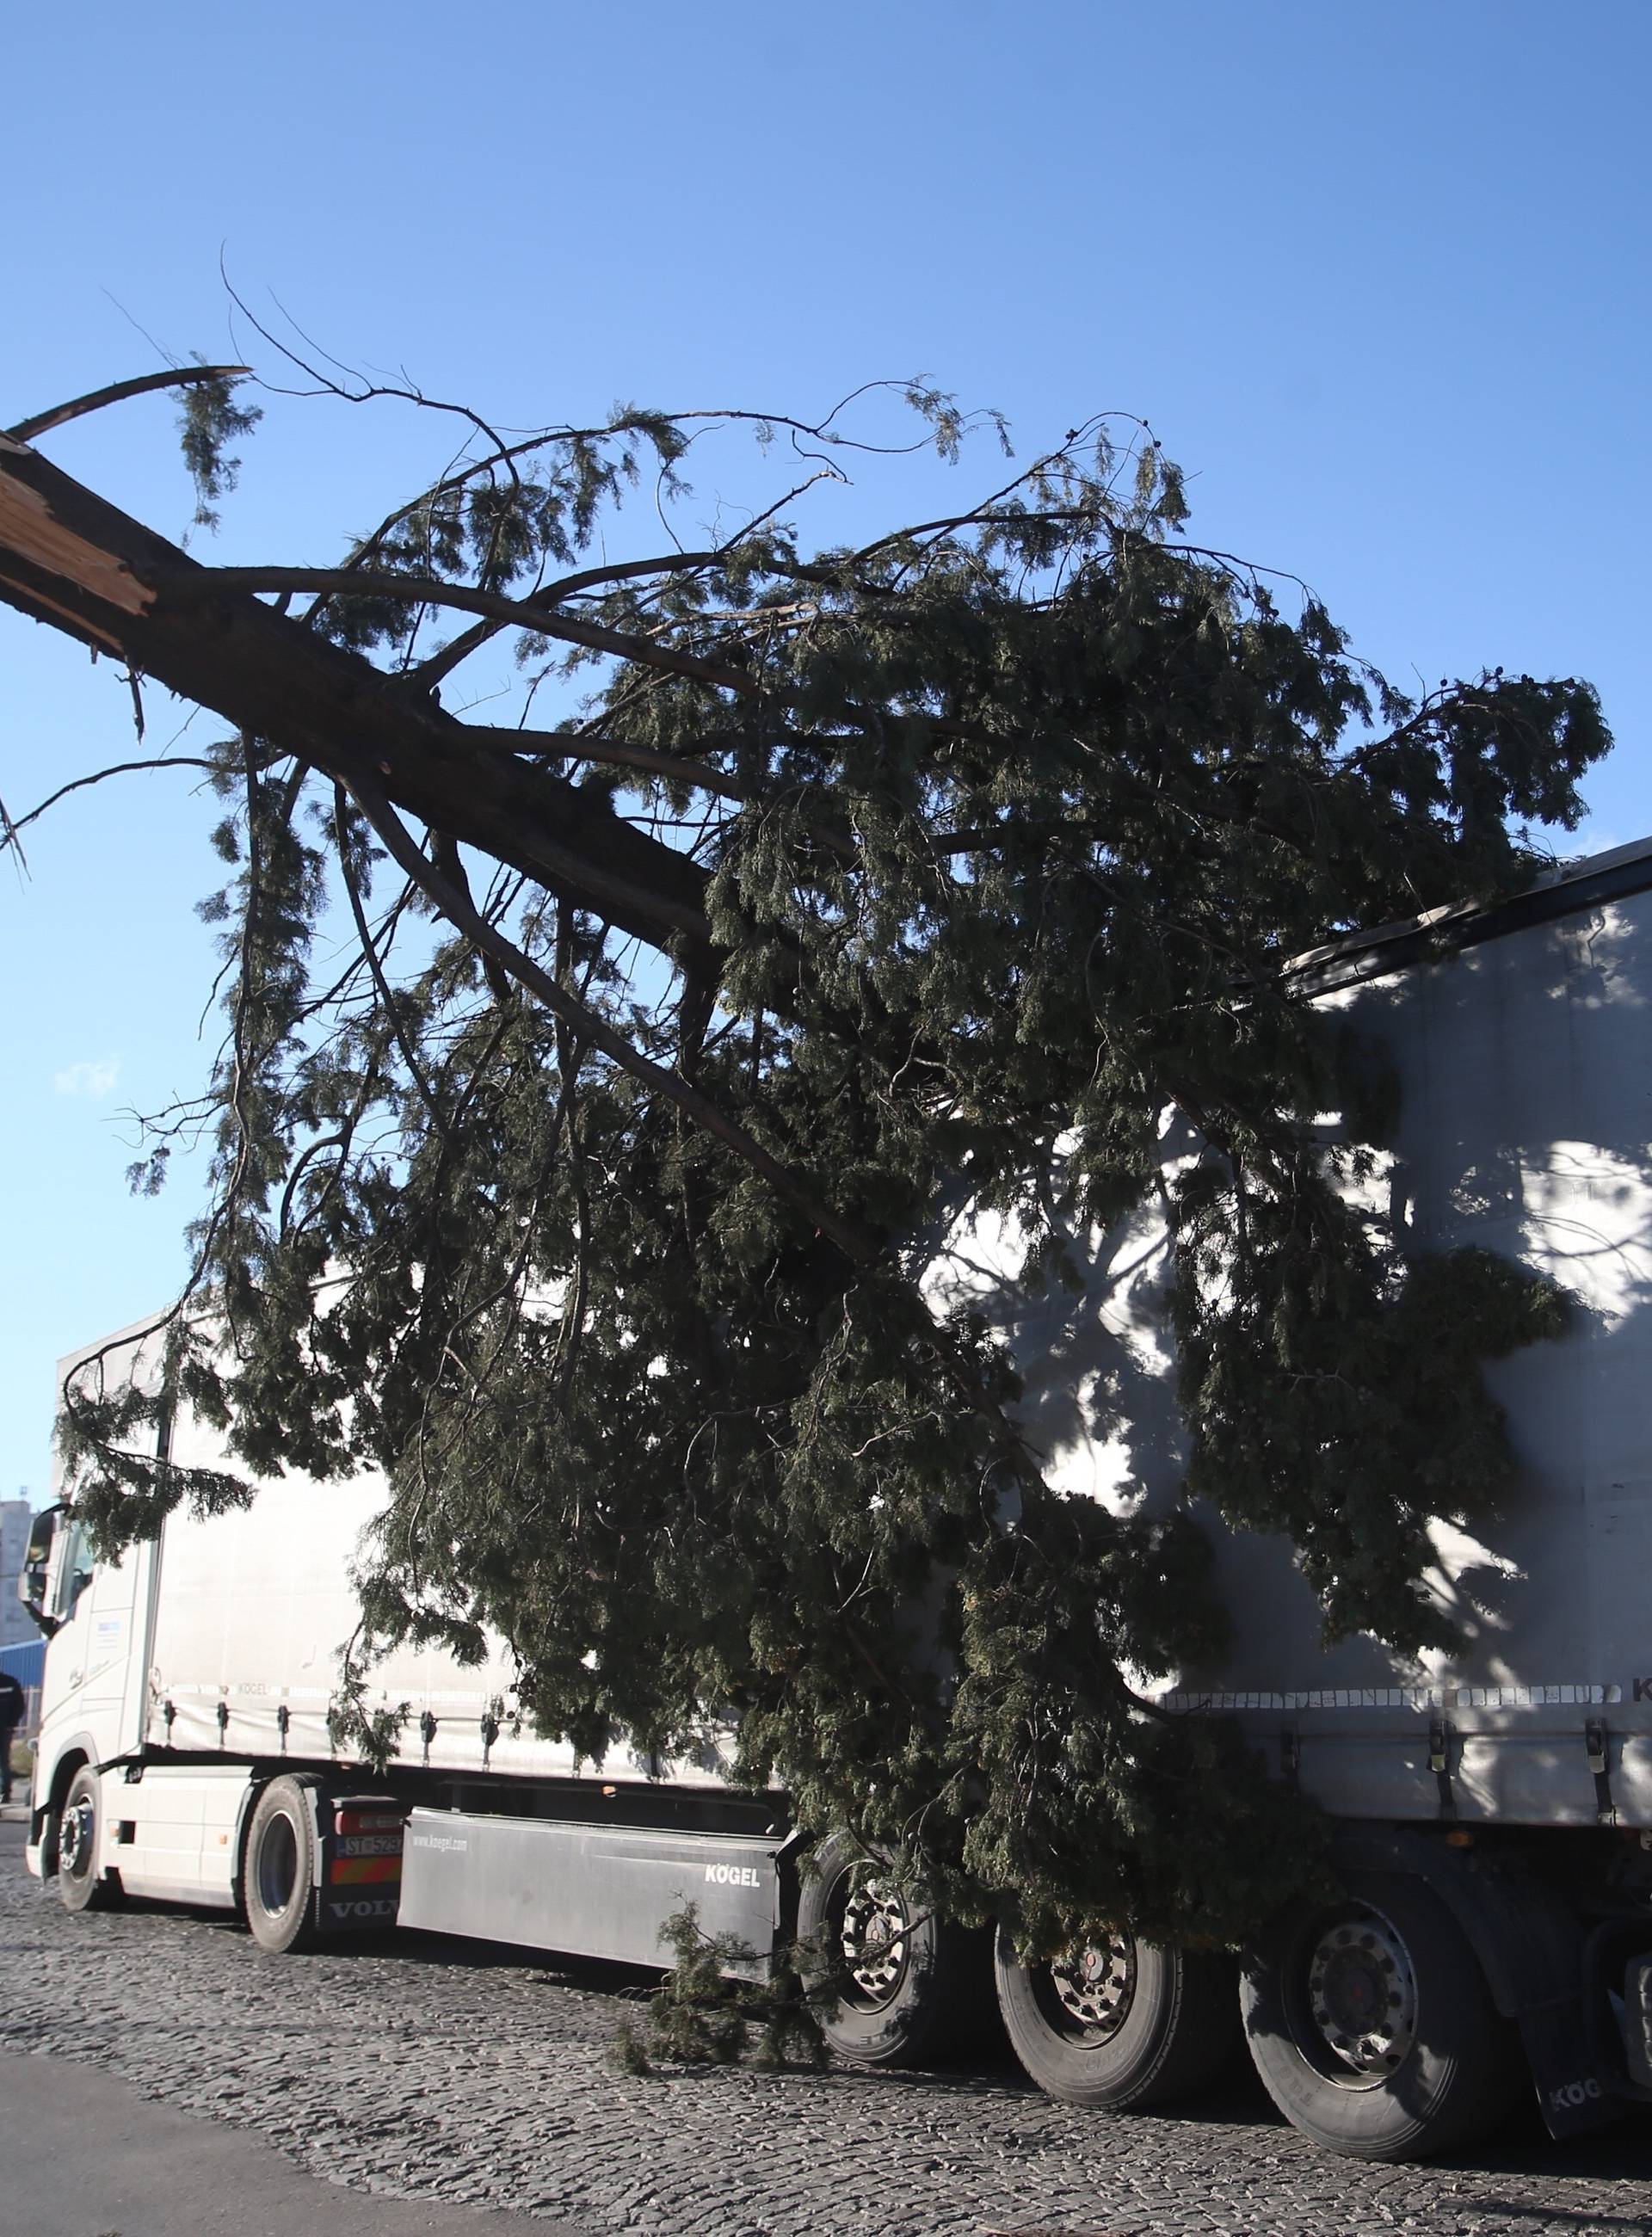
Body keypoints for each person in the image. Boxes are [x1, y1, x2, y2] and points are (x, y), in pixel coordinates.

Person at [0, 1668, 24, 1804]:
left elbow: (19, 1706)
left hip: (5, 1728)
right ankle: (4, 1793)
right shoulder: (10, 1682)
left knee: (3, 1762)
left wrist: (11, 1723)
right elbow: (20, 1706)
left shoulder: (10, 1683)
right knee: (3, 1762)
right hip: (6, 1728)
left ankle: (5, 1793)